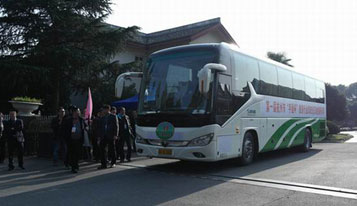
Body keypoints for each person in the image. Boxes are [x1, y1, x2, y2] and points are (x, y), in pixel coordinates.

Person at [63, 107, 86, 173]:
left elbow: (84, 126)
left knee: (77, 153)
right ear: (73, 112)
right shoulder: (68, 120)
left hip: (79, 139)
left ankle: (76, 164)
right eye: (77, 111)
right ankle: (73, 167)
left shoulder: (81, 119)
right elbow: (65, 130)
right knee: (72, 153)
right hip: (71, 140)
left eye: (79, 111)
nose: (78, 113)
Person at [97, 105, 119, 169]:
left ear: (107, 110)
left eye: (104, 110)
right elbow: (100, 128)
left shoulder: (113, 116)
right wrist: (99, 137)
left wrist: (115, 135)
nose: (103, 111)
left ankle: (113, 162)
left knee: (112, 149)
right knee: (102, 149)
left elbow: (116, 126)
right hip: (103, 135)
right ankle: (103, 164)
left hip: (111, 135)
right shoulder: (102, 117)